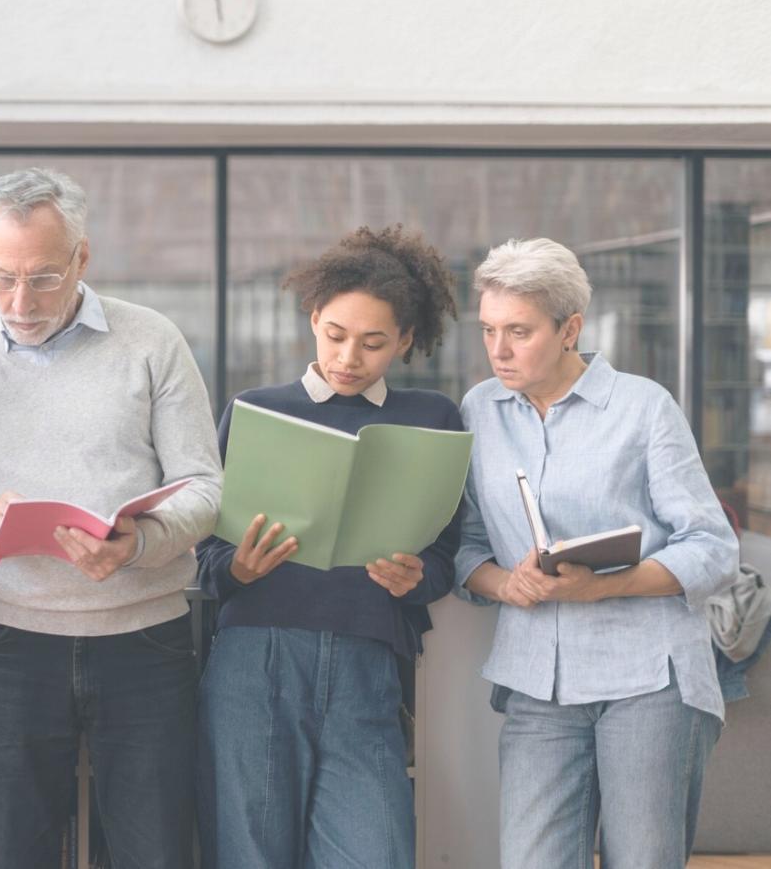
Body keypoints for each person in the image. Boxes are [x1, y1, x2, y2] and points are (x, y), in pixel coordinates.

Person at [0, 167, 223, 869]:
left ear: (82, 258)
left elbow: (204, 489)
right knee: (14, 853)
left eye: (44, 277)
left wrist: (138, 542)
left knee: (155, 851)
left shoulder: (151, 342)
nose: (20, 301)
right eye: (1, 278)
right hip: (10, 649)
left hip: (144, 643)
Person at [454, 237, 739, 869]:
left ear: (569, 329)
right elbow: (465, 541)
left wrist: (604, 584)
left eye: (519, 332)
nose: (499, 349)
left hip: (650, 680)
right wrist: (505, 584)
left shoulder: (642, 408)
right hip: (537, 683)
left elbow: (713, 546)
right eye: (488, 330)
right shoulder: (478, 411)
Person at [194, 225, 463, 869]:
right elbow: (201, 552)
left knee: (377, 850)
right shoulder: (255, 410)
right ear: (314, 318)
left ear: (403, 341)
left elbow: (446, 555)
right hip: (253, 659)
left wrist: (415, 577)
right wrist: (237, 564)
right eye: (336, 335)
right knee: (250, 853)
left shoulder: (431, 419)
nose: (349, 357)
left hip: (366, 666)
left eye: (373, 344)